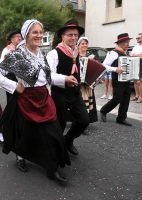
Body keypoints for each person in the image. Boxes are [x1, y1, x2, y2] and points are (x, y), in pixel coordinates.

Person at [0, 19, 71, 183]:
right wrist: (14, 85)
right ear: (26, 34)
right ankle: (21, 157)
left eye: (41, 32)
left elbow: (47, 77)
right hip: (27, 99)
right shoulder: (17, 55)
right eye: (35, 32)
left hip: (44, 98)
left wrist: (65, 79)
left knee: (53, 133)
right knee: (26, 134)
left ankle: (51, 167)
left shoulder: (41, 54)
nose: (39, 35)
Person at [46, 19, 90, 156]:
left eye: (75, 35)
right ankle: (56, 154)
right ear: (63, 37)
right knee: (60, 124)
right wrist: (64, 79)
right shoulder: (53, 53)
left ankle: (68, 140)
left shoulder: (76, 52)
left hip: (75, 93)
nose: (73, 38)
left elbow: (79, 71)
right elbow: (49, 76)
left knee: (84, 120)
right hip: (59, 94)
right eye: (70, 35)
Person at [99, 33, 133, 126]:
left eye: (128, 42)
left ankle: (121, 118)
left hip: (126, 78)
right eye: (126, 42)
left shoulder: (126, 53)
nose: (128, 44)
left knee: (126, 97)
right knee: (117, 98)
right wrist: (115, 69)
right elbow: (104, 65)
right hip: (117, 78)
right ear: (120, 43)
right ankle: (103, 110)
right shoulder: (113, 53)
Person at [77, 36, 98, 123]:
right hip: (79, 84)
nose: (85, 45)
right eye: (83, 43)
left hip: (89, 84)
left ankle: (86, 120)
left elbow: (96, 69)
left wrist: (98, 78)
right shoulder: (75, 57)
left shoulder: (91, 56)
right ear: (78, 45)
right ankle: (80, 121)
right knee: (81, 103)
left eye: (86, 43)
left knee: (88, 103)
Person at [0, 29, 22, 101]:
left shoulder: (21, 48)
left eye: (20, 36)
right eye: (17, 36)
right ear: (12, 39)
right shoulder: (7, 50)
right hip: (11, 78)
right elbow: (2, 66)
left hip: (21, 79)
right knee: (12, 100)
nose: (20, 38)